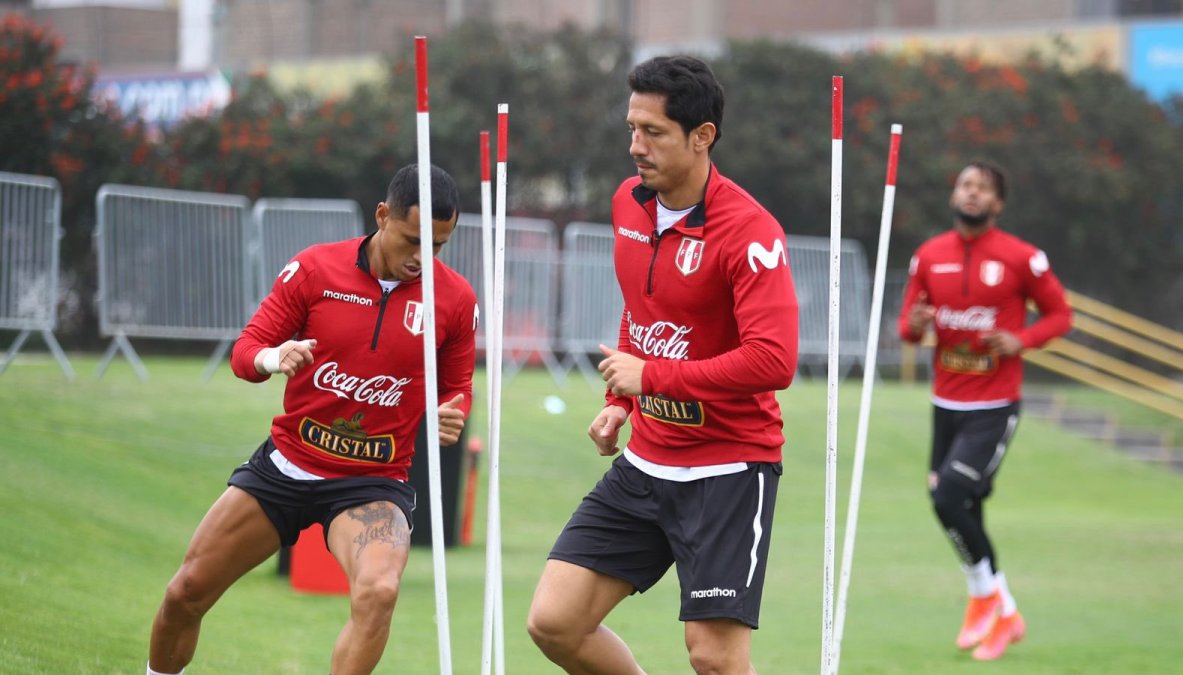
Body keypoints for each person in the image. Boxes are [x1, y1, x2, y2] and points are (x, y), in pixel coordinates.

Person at [146, 164, 478, 675]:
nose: (422, 259)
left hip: (372, 482)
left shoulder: (454, 300)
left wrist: (450, 415)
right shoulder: (315, 270)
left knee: (379, 592)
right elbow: (245, 352)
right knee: (184, 593)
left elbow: (457, 390)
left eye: (437, 246)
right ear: (382, 215)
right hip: (287, 466)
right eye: (413, 240)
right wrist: (271, 358)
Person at [526, 55, 799, 674]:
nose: (635, 146)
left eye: (653, 133)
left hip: (729, 468)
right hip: (647, 460)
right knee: (555, 622)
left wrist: (651, 379)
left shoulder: (750, 232)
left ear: (702, 137)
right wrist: (622, 403)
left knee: (715, 659)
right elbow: (643, 311)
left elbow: (774, 360)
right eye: (632, 128)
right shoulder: (628, 202)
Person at [897, 161, 1072, 661]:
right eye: (965, 185)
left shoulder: (1023, 258)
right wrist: (915, 321)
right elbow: (909, 331)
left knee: (950, 496)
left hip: (994, 406)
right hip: (944, 404)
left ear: (997, 203)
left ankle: (982, 598)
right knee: (957, 504)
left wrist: (1021, 338)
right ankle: (1006, 612)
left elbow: (1061, 315)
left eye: (983, 189)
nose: (971, 194)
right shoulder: (929, 255)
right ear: (954, 193)